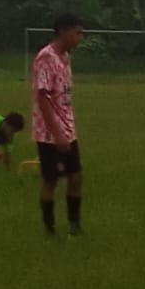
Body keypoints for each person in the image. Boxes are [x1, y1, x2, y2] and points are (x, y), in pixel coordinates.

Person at [31, 14, 85, 237]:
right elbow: (42, 97)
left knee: (76, 177)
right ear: (63, 31)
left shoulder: (65, 57)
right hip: (49, 133)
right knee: (51, 180)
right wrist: (57, 133)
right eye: (77, 33)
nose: (80, 38)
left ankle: (74, 225)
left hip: (68, 128)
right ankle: (49, 228)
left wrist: (67, 131)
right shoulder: (46, 57)